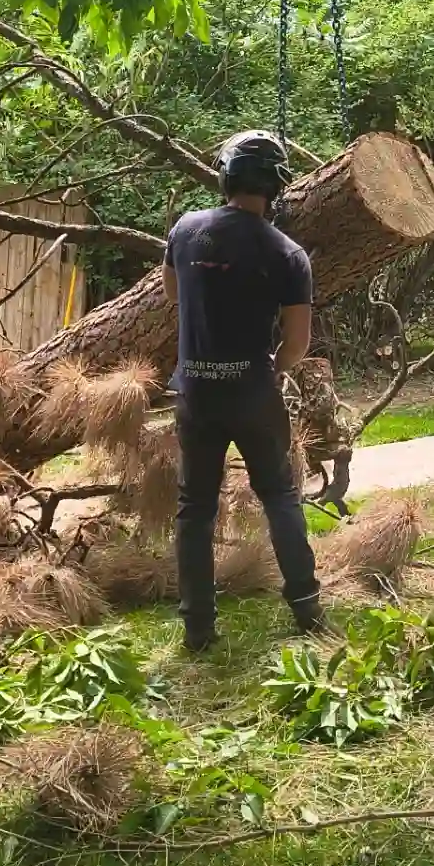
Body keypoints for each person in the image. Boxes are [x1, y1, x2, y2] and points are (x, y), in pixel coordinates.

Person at [162, 130, 323, 651]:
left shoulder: (186, 230)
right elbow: (297, 343)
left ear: (224, 176)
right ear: (277, 189)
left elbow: (172, 294)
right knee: (279, 495)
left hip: (195, 393)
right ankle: (306, 607)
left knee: (195, 507)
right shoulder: (288, 252)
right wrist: (273, 368)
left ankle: (198, 629)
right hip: (253, 392)